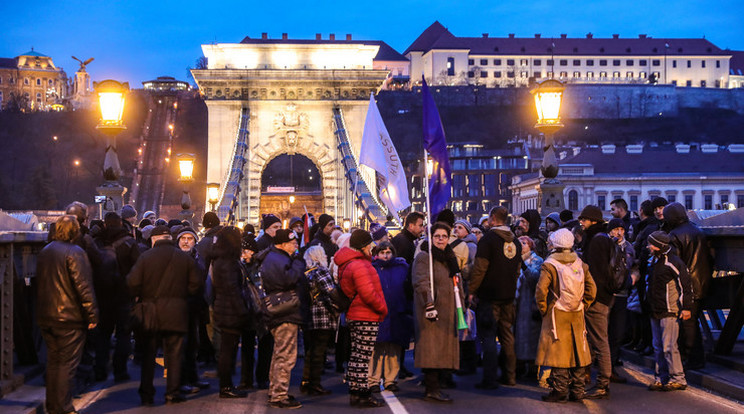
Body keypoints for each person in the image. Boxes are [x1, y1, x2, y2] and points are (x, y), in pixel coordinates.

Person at [127, 225, 202, 405]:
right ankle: (172, 392)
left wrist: (143, 295)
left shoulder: (145, 257)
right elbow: (196, 284)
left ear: (154, 240)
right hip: (176, 312)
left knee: (148, 355)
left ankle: (147, 393)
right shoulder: (184, 259)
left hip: (150, 312)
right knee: (175, 355)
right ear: (170, 238)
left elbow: (131, 283)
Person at [37, 215, 99, 414]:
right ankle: (64, 407)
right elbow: (83, 286)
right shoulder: (75, 252)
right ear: (74, 231)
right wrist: (92, 314)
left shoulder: (45, 251)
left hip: (47, 316)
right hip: (69, 318)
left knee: (54, 362)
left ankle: (53, 405)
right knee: (67, 365)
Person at [536, 229, 597, 403]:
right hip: (577, 312)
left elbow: (541, 290)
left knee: (558, 353)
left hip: (557, 312)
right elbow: (591, 288)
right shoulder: (580, 262)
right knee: (578, 351)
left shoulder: (550, 264)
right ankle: (578, 390)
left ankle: (559, 390)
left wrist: (543, 309)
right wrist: (584, 304)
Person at [469, 206, 522, 389]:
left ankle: (489, 378)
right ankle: (510, 376)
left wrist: (471, 291)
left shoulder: (488, 240)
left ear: (492, 219)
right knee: (507, 336)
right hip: (508, 296)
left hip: (489, 296)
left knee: (488, 337)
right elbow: (516, 271)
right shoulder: (516, 242)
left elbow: (480, 269)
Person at [335, 230, 388, 408]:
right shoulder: (360, 265)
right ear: (364, 246)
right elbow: (368, 293)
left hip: (355, 313)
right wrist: (382, 306)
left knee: (357, 355)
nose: (372, 248)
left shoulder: (350, 263)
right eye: (370, 244)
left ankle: (356, 391)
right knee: (363, 357)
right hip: (365, 314)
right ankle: (363, 394)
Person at [413, 223, 463, 403]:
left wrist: (461, 307)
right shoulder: (425, 256)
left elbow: (456, 281)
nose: (440, 239)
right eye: (437, 236)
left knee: (441, 350)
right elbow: (421, 281)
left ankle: (437, 386)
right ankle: (431, 388)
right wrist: (428, 304)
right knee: (431, 350)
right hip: (432, 311)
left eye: (444, 236)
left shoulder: (449, 257)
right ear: (431, 238)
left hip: (448, 309)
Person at [663, 202, 712, 370]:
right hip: (702, 282)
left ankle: (694, 358)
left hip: (686, 285)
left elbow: (676, 264)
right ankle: (694, 357)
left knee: (688, 323)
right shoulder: (698, 231)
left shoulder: (674, 236)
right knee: (692, 321)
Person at [91, 212, 139, 383]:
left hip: (102, 295)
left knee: (103, 334)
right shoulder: (129, 243)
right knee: (124, 334)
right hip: (124, 295)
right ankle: (120, 371)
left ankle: (100, 370)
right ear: (120, 224)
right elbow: (138, 269)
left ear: (105, 224)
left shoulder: (96, 242)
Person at [261, 229, 306, 409]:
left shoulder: (273, 257)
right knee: (286, 356)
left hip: (280, 311)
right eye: (292, 242)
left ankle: (276, 390)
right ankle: (279, 395)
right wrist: (298, 264)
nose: (295, 245)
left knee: (279, 354)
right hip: (285, 311)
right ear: (282, 244)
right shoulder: (279, 259)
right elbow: (289, 280)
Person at [645, 231, 693, 392]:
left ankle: (677, 378)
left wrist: (686, 307)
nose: (648, 246)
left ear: (660, 246)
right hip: (656, 309)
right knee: (659, 346)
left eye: (651, 244)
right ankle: (662, 378)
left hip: (669, 309)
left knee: (668, 346)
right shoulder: (655, 261)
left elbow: (686, 286)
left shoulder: (672, 262)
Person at [577, 205, 614, 399]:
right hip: (602, 296)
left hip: (597, 298)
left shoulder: (597, 241)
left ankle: (602, 383)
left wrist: (590, 297)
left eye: (584, 219)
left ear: (593, 221)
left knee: (600, 340)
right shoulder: (601, 238)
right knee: (596, 339)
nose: (581, 222)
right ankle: (595, 380)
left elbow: (596, 274)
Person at [211, 226, 251, 398]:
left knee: (228, 348)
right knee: (228, 349)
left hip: (223, 307)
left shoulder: (220, 260)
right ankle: (226, 386)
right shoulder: (228, 263)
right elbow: (232, 289)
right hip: (230, 310)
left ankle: (226, 384)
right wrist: (242, 311)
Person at [369, 242, 411, 393]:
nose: (386, 255)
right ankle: (373, 379)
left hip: (396, 311)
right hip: (379, 312)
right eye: (382, 252)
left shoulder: (402, 267)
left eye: (388, 252)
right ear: (377, 254)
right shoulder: (372, 268)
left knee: (393, 348)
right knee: (376, 348)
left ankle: (390, 379)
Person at [175, 227, 210, 394]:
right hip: (180, 307)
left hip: (195, 307)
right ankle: (181, 380)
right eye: (183, 238)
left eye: (190, 238)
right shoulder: (175, 258)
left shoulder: (198, 258)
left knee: (192, 345)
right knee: (182, 345)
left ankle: (193, 377)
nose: (186, 241)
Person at [300, 245, 337, 396]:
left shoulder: (306, 273)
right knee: (319, 351)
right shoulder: (321, 271)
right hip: (322, 316)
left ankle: (306, 381)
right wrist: (339, 307)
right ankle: (315, 383)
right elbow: (331, 292)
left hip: (309, 315)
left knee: (311, 351)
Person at [606, 218, 636, 383]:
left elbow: (634, 266)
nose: (619, 232)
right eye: (616, 229)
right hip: (607, 294)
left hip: (623, 294)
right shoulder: (606, 246)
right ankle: (604, 362)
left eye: (621, 229)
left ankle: (612, 362)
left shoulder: (629, 248)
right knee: (605, 329)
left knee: (618, 331)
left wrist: (632, 279)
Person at [514, 236, 544, 378]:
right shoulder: (513, 259)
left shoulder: (536, 260)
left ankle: (532, 368)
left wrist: (524, 266)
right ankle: (519, 365)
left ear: (531, 246)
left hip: (530, 303)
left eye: (524, 243)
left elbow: (535, 278)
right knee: (518, 336)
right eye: (519, 242)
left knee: (531, 337)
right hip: (518, 304)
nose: (521, 245)